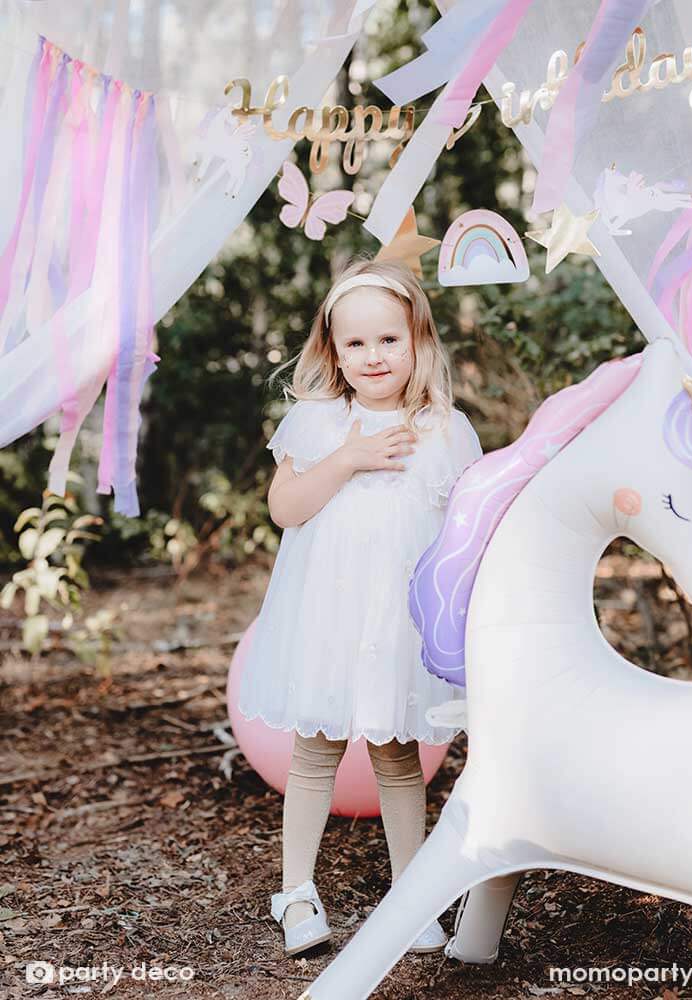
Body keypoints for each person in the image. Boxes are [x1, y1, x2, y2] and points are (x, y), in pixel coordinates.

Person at [237, 256, 483, 957]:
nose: (373, 356)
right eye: (356, 343)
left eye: (389, 340)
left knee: (399, 754)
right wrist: (348, 458)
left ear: (417, 342)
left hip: (397, 624)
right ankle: (296, 893)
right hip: (327, 618)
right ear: (333, 352)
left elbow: (463, 534)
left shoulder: (444, 429)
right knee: (315, 751)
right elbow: (286, 508)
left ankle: (411, 896)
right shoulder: (317, 422)